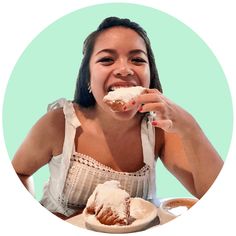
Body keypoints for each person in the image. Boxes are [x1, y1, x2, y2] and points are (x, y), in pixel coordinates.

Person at [12, 17, 223, 220]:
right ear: (87, 77)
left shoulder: (159, 128)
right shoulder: (59, 124)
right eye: (106, 59)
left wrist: (189, 127)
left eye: (138, 59)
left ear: (150, 75)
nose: (124, 69)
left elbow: (217, 198)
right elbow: (17, 174)